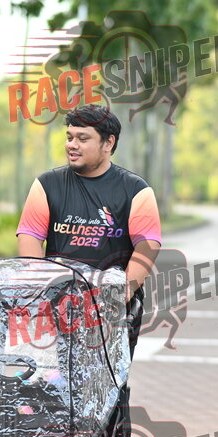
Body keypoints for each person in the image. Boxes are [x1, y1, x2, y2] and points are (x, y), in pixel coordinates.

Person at [16, 104, 162, 356]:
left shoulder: (136, 190)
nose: (72, 145)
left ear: (108, 143)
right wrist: (40, 291)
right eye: (69, 137)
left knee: (109, 378)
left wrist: (118, 296)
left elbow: (148, 246)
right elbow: (30, 237)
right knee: (53, 375)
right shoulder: (47, 185)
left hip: (114, 310)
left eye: (83, 139)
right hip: (57, 307)